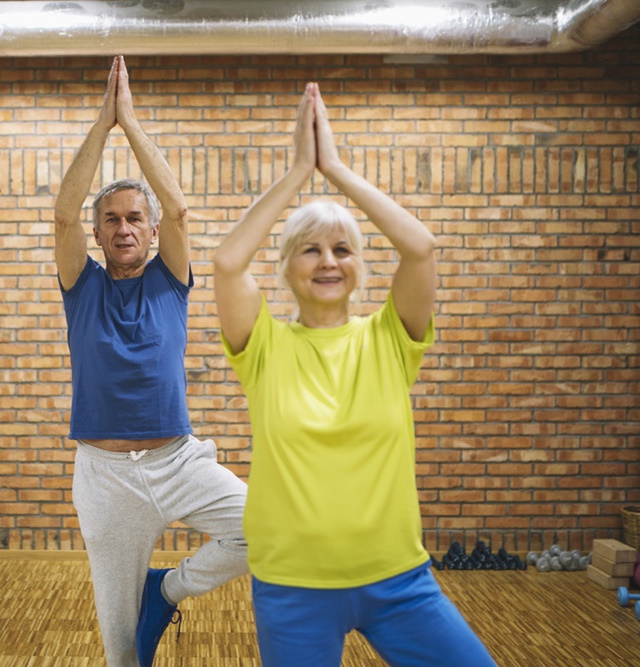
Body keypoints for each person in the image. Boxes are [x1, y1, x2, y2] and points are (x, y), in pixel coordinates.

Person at [212, 82, 497, 666]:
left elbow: (421, 249)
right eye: (310, 250)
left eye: (343, 249)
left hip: (398, 580)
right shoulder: (263, 345)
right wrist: (298, 172)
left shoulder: (390, 339)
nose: (328, 262)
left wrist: (335, 169)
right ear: (287, 268)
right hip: (292, 586)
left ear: (361, 267)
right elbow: (226, 261)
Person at [54, 56, 249, 667]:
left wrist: (130, 123)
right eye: (110, 220)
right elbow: (63, 213)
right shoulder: (81, 285)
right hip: (106, 479)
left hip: (178, 460)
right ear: (98, 232)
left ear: (152, 228)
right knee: (120, 649)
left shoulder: (170, 280)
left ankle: (166, 589)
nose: (124, 227)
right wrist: (101, 122)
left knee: (268, 532)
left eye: (135, 217)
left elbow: (181, 210)